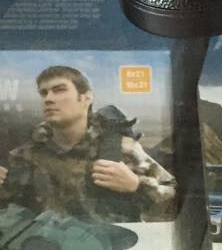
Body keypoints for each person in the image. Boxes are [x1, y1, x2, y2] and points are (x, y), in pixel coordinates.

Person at [0, 65, 175, 222]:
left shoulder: (121, 149)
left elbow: (176, 204)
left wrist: (136, 185)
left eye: (59, 90)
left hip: (111, 246)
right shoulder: (25, 155)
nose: (48, 99)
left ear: (86, 98)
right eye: (44, 93)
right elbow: (10, 216)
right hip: (43, 247)